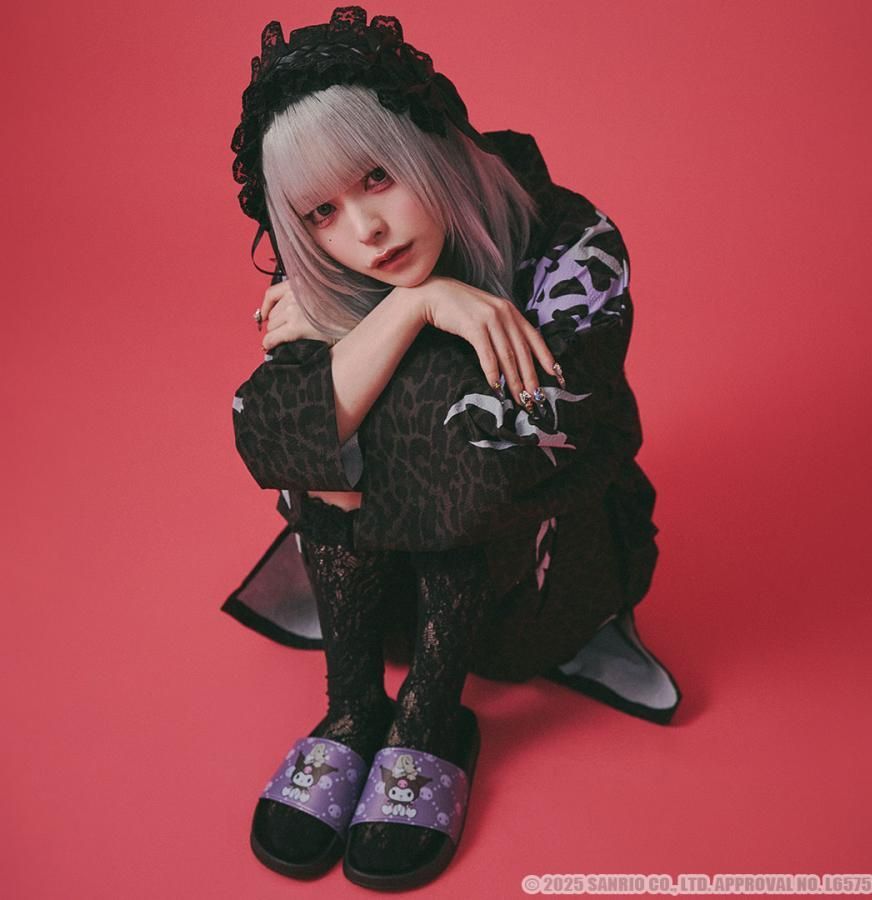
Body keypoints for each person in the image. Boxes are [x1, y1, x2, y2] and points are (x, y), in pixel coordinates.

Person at [225, 6, 681, 890]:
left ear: (431, 143)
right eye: (322, 211)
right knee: (331, 451)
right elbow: (268, 431)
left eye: (378, 176)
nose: (365, 230)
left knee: (416, 451)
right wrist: (417, 303)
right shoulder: (345, 265)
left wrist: (360, 351)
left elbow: (495, 453)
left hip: (532, 570)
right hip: (382, 594)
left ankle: (433, 721)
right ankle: (354, 711)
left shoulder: (574, 245)